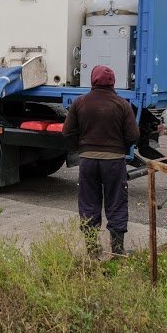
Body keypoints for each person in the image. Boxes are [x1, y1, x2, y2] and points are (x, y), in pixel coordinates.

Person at [62, 65, 140, 258]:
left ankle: (92, 250)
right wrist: (120, 146)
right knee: (116, 202)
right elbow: (133, 135)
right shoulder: (122, 104)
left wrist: (82, 147)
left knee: (88, 202)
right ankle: (117, 250)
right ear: (113, 82)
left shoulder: (80, 103)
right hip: (114, 161)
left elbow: (67, 132)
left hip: (88, 160)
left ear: (92, 80)